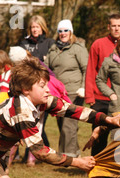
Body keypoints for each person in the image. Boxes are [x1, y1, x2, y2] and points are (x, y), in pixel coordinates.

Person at [85, 13, 120, 156]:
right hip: (101, 98)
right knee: (99, 134)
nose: (116, 29)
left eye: (119, 26)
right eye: (113, 26)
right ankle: (96, 165)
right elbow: (91, 70)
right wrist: (90, 97)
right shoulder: (98, 44)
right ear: (109, 27)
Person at [46, 19, 88, 158]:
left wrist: (83, 88)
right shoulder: (53, 49)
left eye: (66, 30)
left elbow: (86, 69)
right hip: (57, 92)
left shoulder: (78, 48)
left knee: (68, 123)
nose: (63, 33)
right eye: (60, 31)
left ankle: (67, 157)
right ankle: (75, 153)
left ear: (71, 32)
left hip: (73, 91)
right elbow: (47, 68)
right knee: (62, 122)